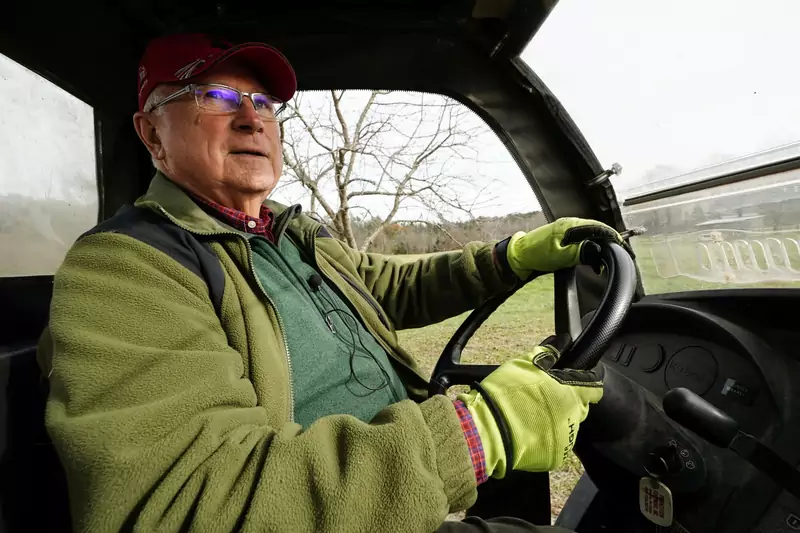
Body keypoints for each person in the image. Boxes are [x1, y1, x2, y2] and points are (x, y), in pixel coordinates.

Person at [38, 33, 624, 533]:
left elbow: (389, 286)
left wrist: (510, 257)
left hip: (418, 482)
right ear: (152, 134)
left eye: (264, 103)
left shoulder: (290, 234)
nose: (251, 118)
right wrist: (476, 432)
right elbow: (190, 502)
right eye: (215, 96)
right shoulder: (126, 267)